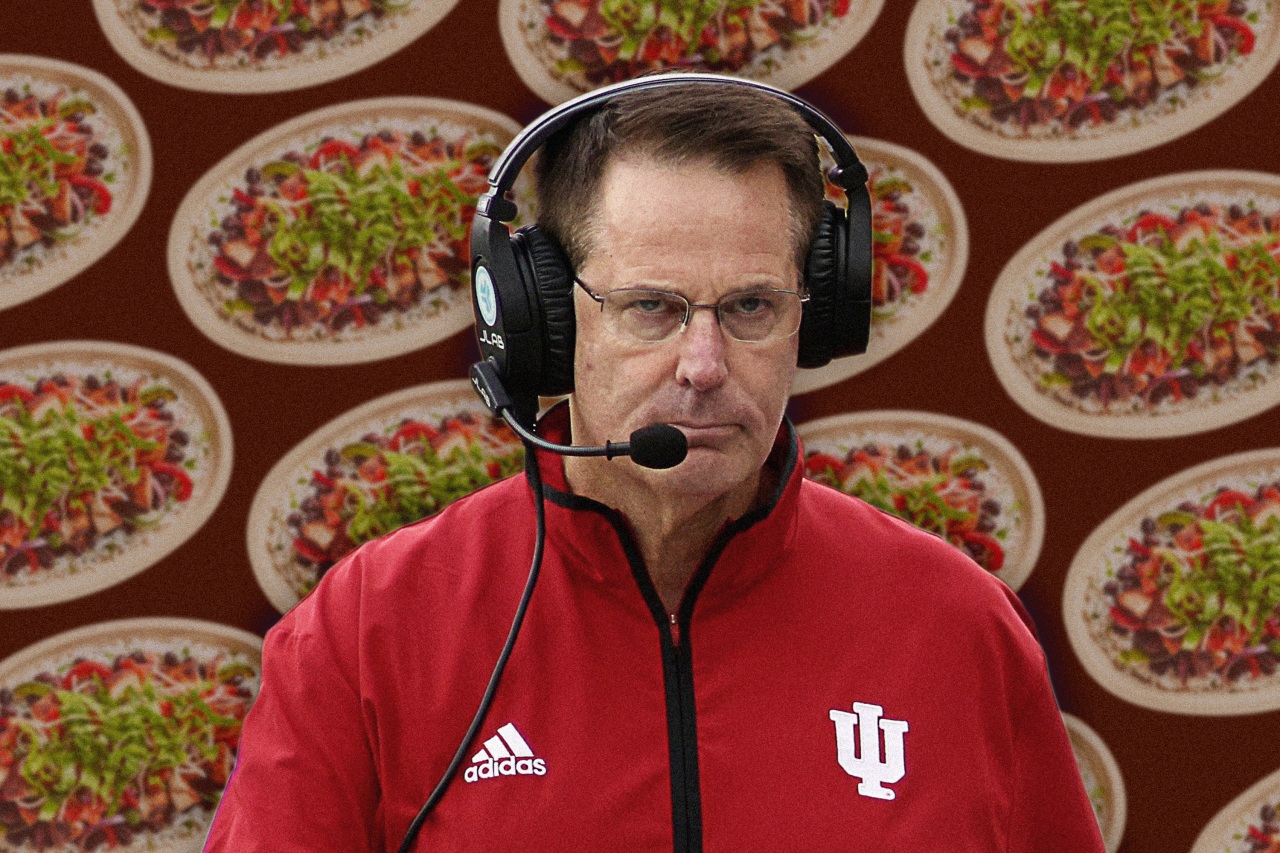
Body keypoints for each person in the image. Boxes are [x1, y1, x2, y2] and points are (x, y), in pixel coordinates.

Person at [204, 77, 1107, 852]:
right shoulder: (366, 635)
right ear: (545, 317)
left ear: (817, 313)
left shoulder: (958, 629)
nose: (704, 365)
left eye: (751, 306)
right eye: (651, 307)